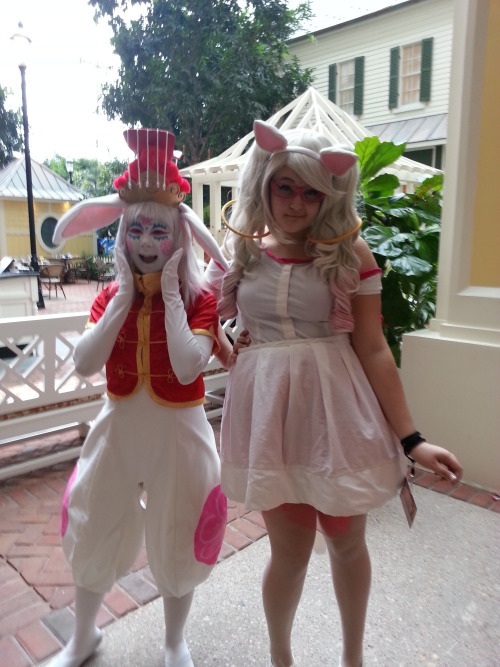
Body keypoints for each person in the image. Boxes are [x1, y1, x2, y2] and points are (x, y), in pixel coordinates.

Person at [204, 120, 463, 667]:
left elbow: (373, 347)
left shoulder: (351, 252)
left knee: (346, 544)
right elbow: (206, 315)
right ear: (265, 184)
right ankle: (281, 658)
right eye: (285, 188)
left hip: (336, 420)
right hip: (270, 423)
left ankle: (352, 659)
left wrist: (412, 439)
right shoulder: (243, 251)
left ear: (330, 195)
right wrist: (226, 348)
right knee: (290, 555)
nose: (296, 203)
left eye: (312, 192)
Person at [49, 128, 234, 667]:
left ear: (181, 236)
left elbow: (187, 364)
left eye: (159, 230)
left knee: (181, 526)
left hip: (180, 432)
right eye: (136, 229)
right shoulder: (110, 295)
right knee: (92, 517)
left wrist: (171, 296)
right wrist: (122, 300)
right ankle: (83, 637)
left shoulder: (199, 301)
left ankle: (174, 641)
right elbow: (85, 363)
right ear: (122, 235)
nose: (147, 242)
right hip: (119, 426)